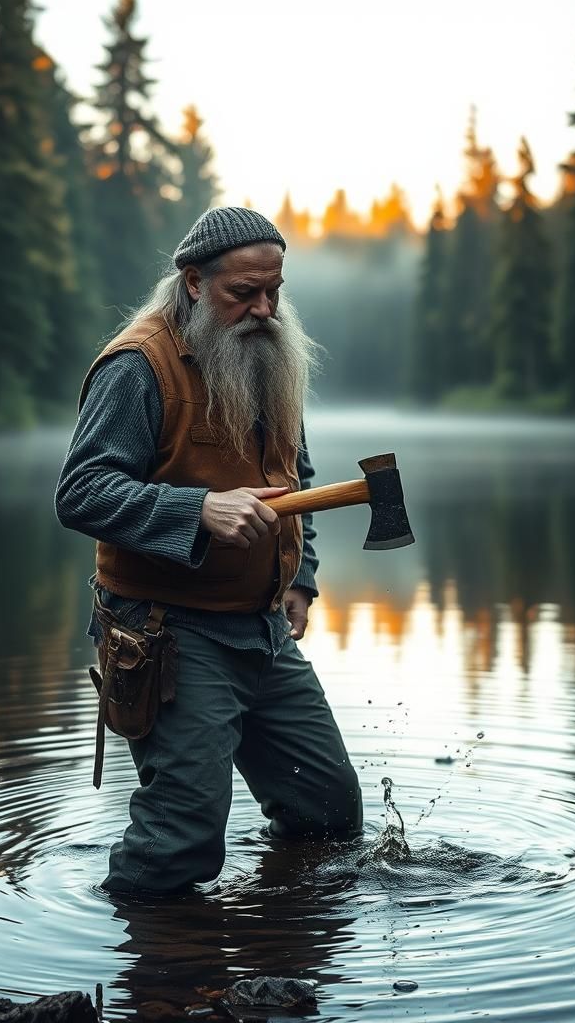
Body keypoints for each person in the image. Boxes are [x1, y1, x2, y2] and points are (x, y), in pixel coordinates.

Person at [55, 206, 362, 893]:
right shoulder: (138, 366)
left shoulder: (267, 355)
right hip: (168, 633)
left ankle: (283, 939)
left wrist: (301, 578)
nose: (264, 309)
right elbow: (81, 492)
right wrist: (197, 510)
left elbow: (294, 478)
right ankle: (158, 984)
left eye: (274, 291)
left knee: (329, 813)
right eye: (243, 293)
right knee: (182, 842)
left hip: (263, 629)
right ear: (193, 282)